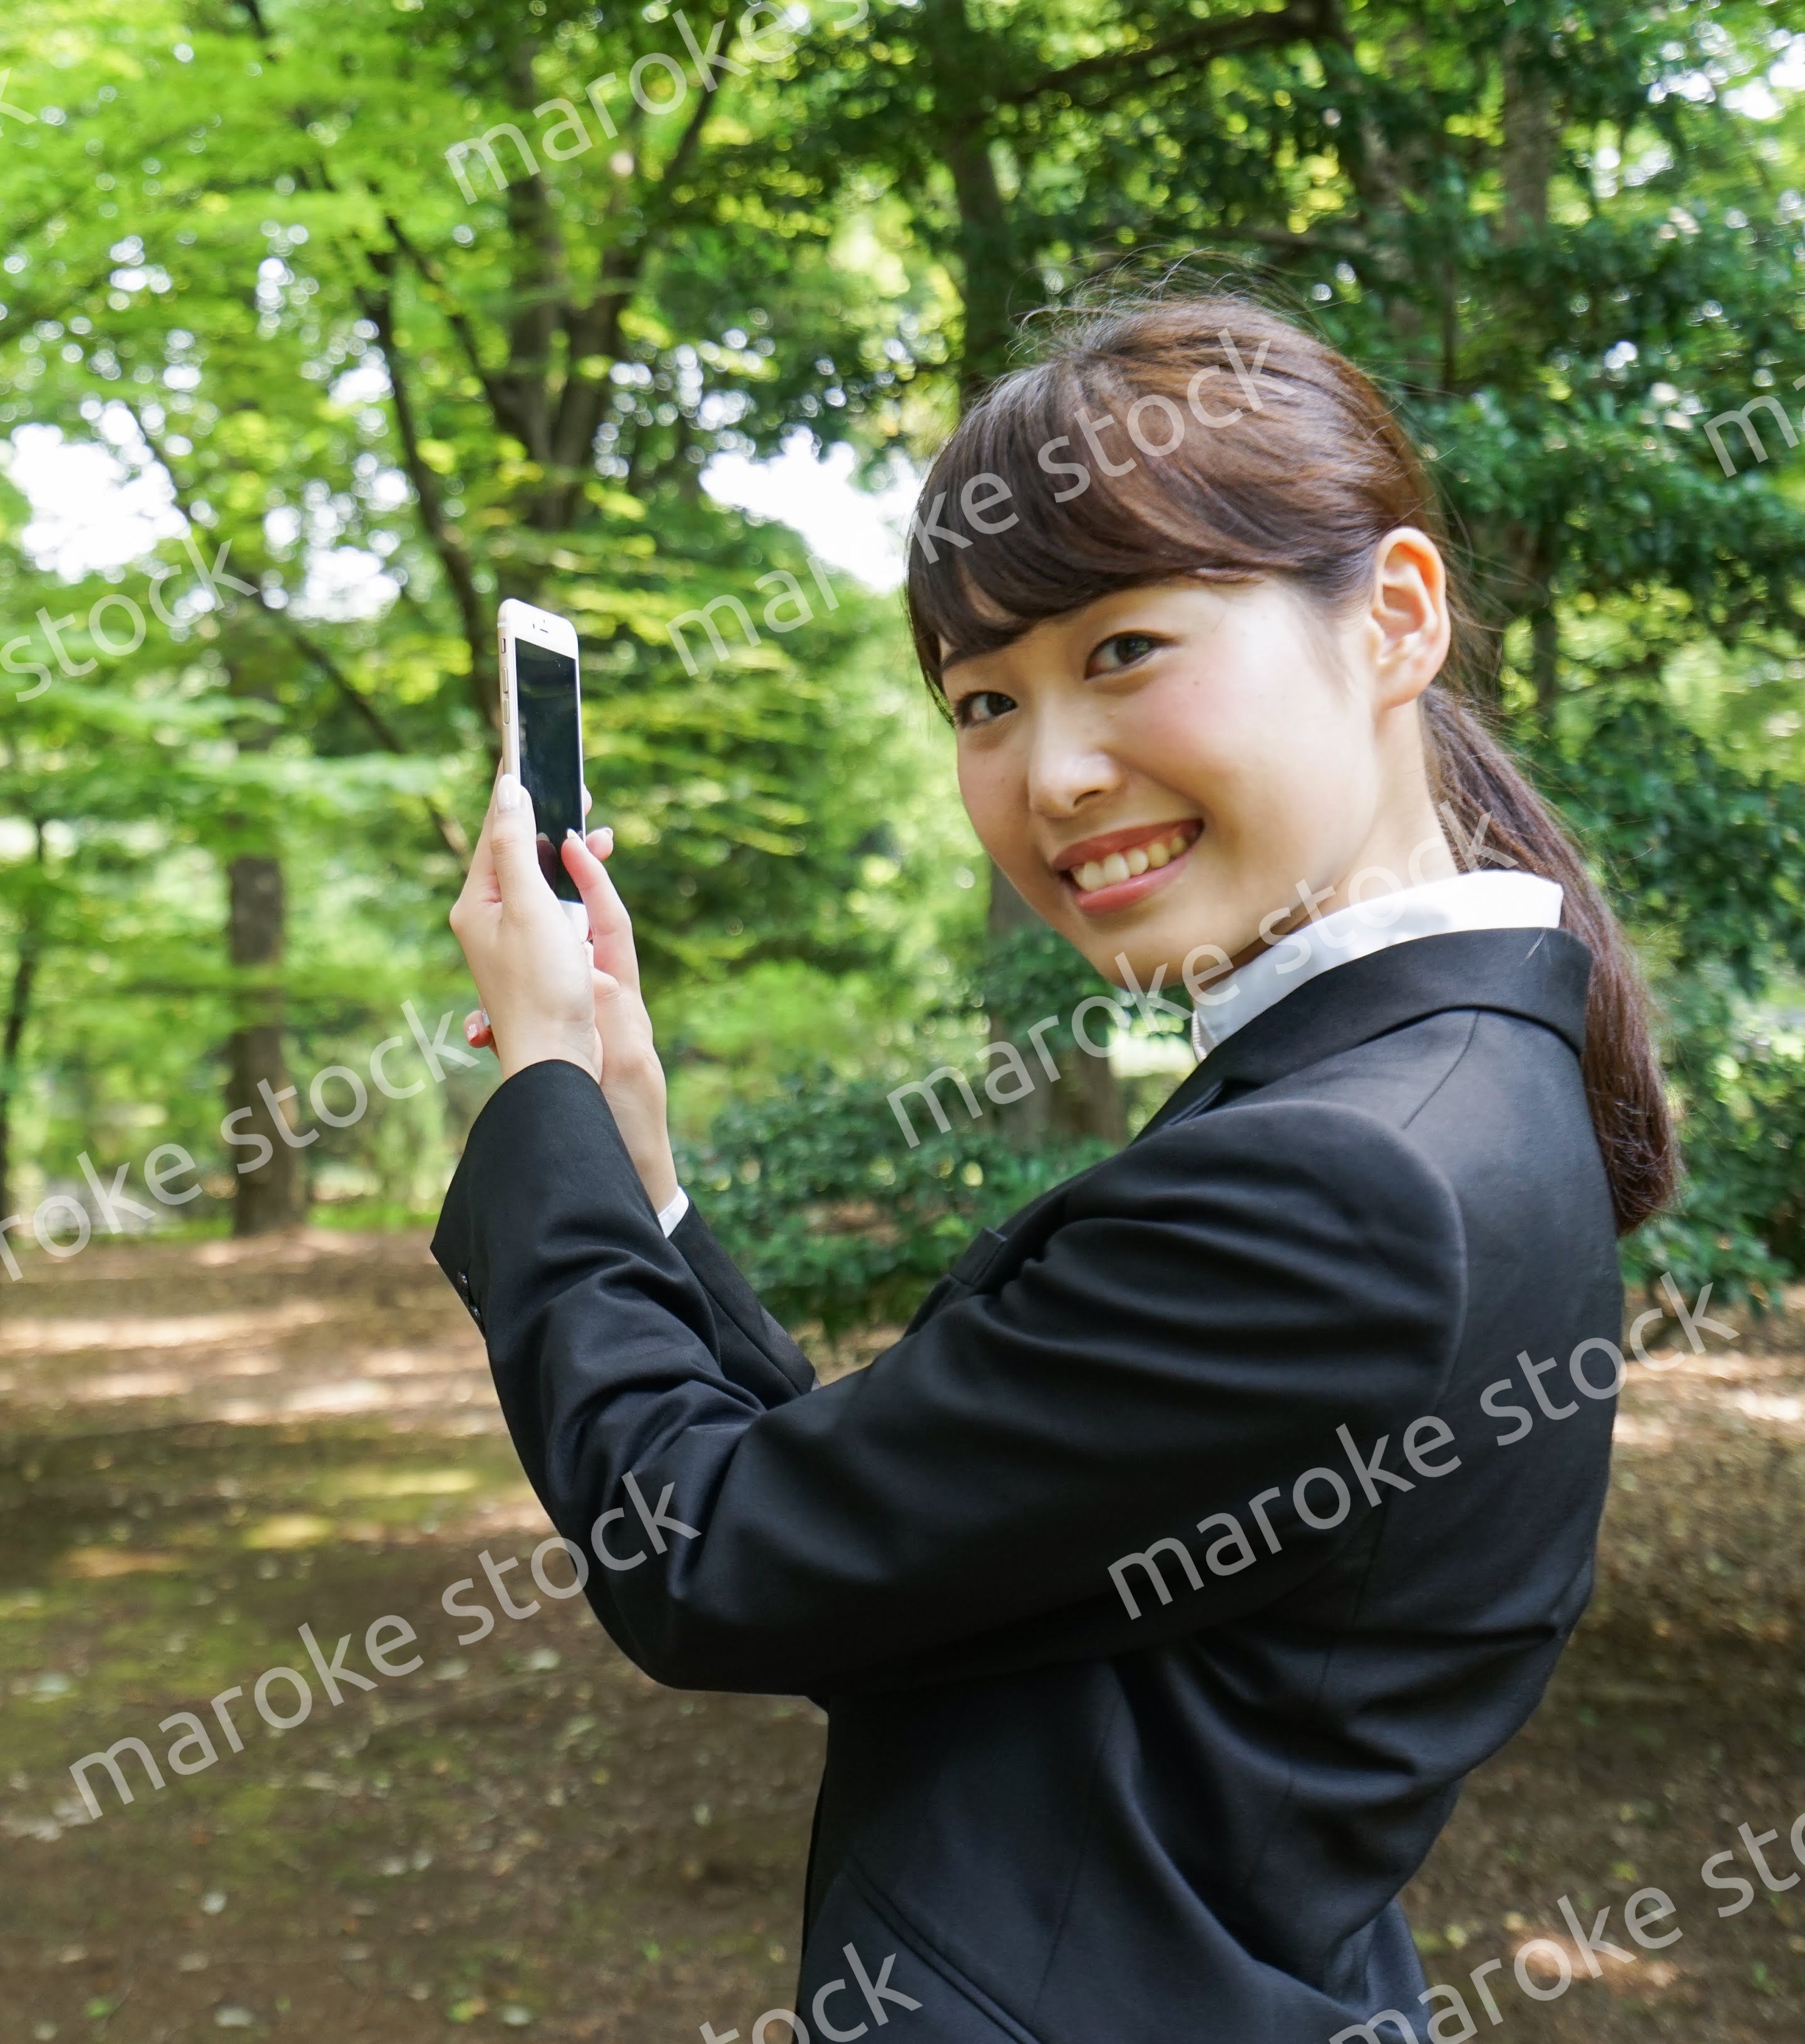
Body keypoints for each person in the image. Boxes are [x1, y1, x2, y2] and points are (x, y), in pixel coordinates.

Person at [433, 294, 1675, 2044]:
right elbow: (871, 1548)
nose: (1054, 774)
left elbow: (702, 1553)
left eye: (1121, 651)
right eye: (981, 701)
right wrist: (632, 1165)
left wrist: (541, 1088)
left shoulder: (1339, 1181)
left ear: (1392, 617)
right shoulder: (1445, 1089)